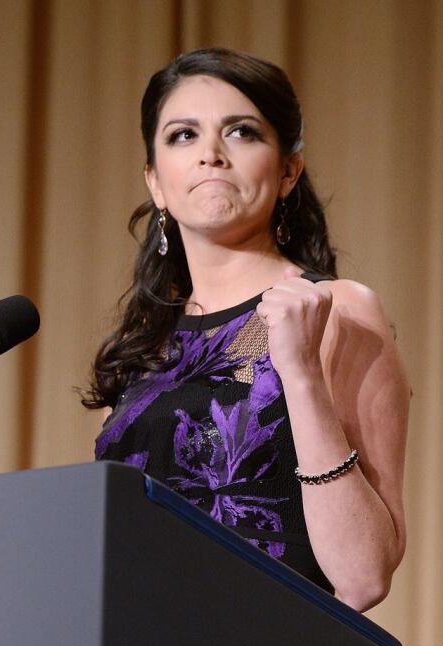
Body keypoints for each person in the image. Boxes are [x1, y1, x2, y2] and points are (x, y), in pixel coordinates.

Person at [89, 48, 409, 612]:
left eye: (240, 132)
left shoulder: (338, 309)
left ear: (288, 171)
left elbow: (364, 576)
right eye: (183, 136)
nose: (211, 155)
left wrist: (302, 373)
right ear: (156, 182)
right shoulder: (145, 346)